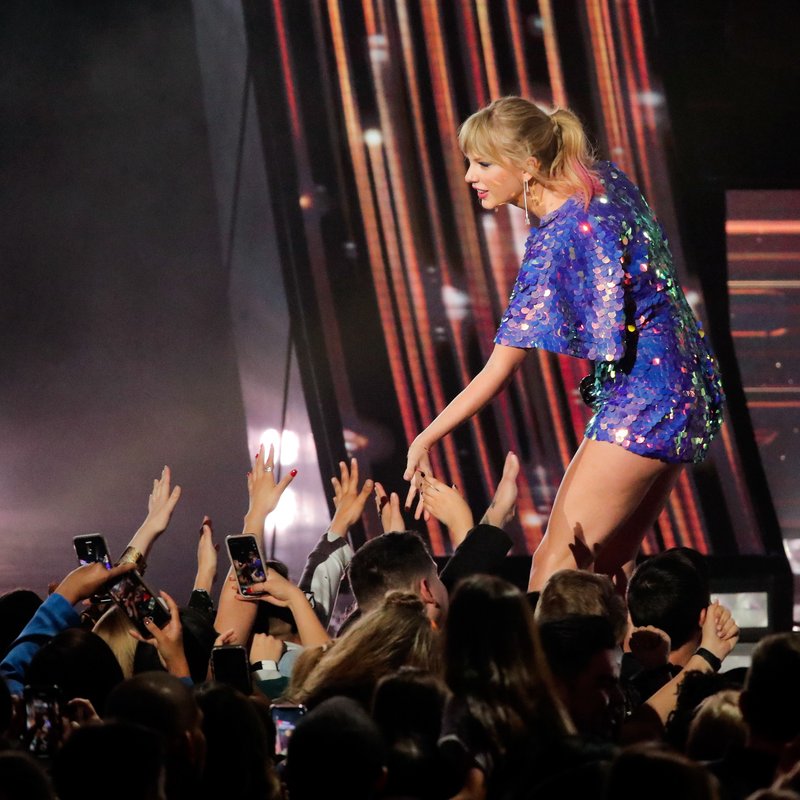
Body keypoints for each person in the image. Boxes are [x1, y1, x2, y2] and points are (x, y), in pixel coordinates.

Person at [404, 96, 724, 591]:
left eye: (484, 163)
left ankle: (538, 647)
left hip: (647, 397)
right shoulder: (602, 181)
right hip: (685, 386)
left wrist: (425, 438)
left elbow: (501, 367)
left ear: (528, 166)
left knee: (555, 566)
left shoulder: (560, 238)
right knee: (606, 565)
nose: (470, 176)